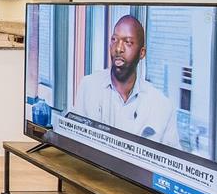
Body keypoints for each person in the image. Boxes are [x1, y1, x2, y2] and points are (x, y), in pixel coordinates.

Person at [70, 15, 180, 148]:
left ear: (142, 53)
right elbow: (75, 143)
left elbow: (170, 164)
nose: (118, 48)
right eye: (114, 40)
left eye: (127, 42)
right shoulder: (89, 86)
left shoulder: (162, 106)